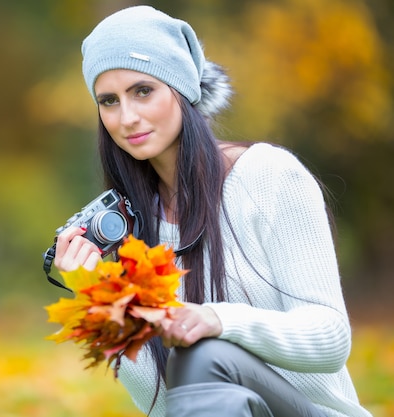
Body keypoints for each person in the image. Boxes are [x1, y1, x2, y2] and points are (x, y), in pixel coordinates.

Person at [52, 5, 372, 417]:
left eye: (143, 91)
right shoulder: (134, 227)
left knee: (202, 355)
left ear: (181, 88)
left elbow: (329, 340)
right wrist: (97, 294)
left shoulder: (270, 177)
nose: (127, 117)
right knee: (195, 361)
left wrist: (218, 320)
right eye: (109, 101)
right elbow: (167, 404)